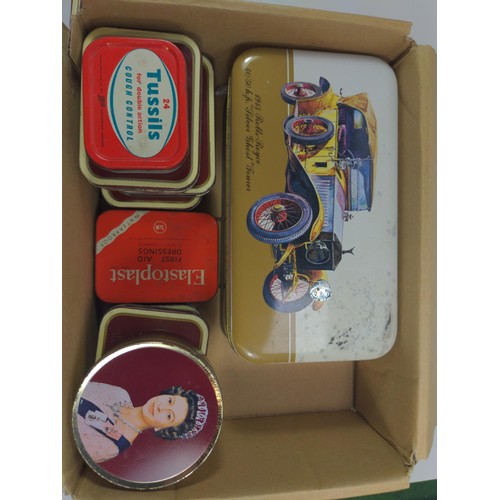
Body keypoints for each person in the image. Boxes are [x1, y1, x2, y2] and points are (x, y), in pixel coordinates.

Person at [76, 382, 208, 463]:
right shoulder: (119, 393)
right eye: (169, 401)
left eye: (169, 415)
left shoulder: (113, 446)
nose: (161, 407)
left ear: (163, 429)